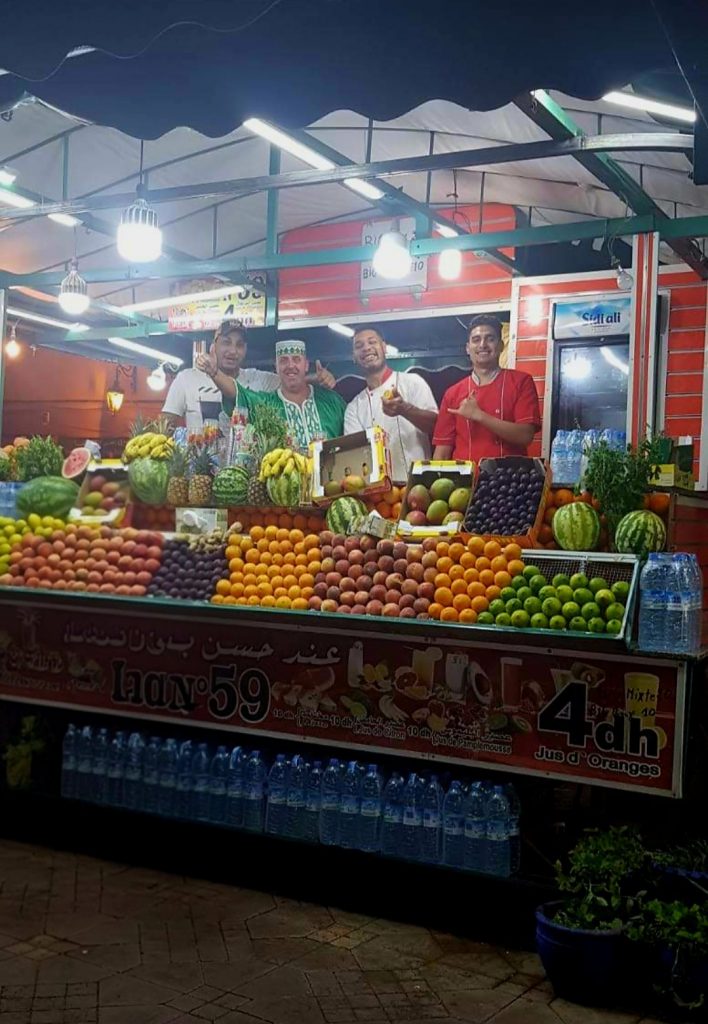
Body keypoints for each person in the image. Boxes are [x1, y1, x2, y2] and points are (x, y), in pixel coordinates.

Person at [432, 314, 541, 462]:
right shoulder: (453, 393)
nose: (482, 345)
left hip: (509, 479)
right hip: (465, 482)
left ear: (501, 346)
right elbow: (442, 452)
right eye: (476, 340)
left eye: (490, 339)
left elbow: (525, 436)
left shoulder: (521, 382)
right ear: (468, 348)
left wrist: (479, 415)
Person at [343, 325, 438, 482]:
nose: (366, 348)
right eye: (359, 346)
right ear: (353, 356)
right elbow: (356, 457)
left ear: (384, 347)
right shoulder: (354, 408)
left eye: (372, 342)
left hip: (421, 487)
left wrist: (405, 409)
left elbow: (436, 427)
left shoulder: (413, 382)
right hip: (381, 496)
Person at [162, 321, 278, 433]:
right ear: (213, 347)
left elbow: (292, 384)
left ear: (245, 350)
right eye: (226, 343)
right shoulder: (187, 378)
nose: (233, 351)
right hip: (197, 451)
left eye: (239, 345)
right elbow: (165, 425)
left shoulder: (260, 380)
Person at [225, 339, 346, 445]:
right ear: (276, 367)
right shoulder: (265, 404)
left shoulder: (332, 401)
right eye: (283, 360)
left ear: (306, 365)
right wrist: (214, 372)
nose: (290, 365)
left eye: (296, 359)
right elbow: (237, 393)